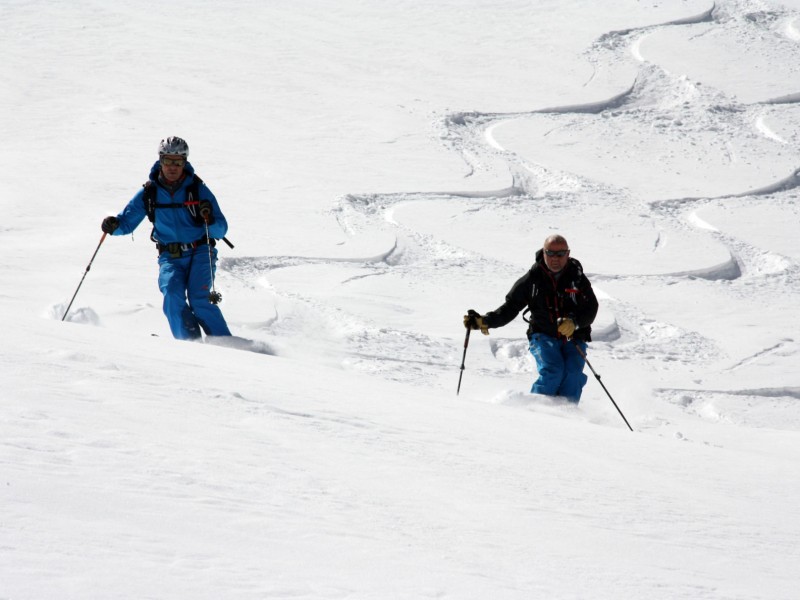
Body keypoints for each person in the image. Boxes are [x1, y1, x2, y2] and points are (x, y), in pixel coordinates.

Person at [101, 136, 232, 341]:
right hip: (170, 256)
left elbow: (221, 230)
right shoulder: (150, 192)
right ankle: (190, 344)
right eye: (168, 161)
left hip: (200, 252)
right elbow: (126, 223)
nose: (172, 167)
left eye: (177, 162)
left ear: (185, 163)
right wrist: (113, 226)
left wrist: (207, 218)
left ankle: (227, 346)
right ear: (160, 161)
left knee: (200, 299)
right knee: (172, 295)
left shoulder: (198, 190)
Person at [464, 234, 598, 402]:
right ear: (543, 253)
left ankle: (567, 416)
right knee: (553, 371)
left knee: (572, 374)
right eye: (550, 253)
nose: (555, 258)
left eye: (560, 253)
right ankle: (537, 413)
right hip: (543, 334)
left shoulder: (577, 279)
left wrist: (575, 323)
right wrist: (485, 321)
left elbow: (591, 308)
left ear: (568, 254)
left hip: (574, 336)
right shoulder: (532, 279)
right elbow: (511, 307)